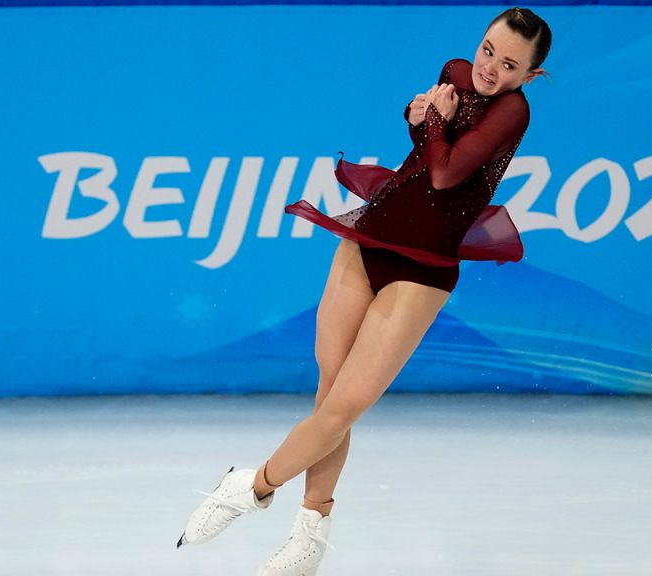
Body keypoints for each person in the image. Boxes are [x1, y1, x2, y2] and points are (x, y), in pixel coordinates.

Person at [177, 7, 552, 575]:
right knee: (329, 395)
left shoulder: (513, 112)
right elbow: (422, 146)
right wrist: (417, 112)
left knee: (346, 407)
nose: (489, 69)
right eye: (486, 51)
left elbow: (448, 173)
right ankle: (311, 531)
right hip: (370, 233)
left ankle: (248, 489)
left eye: (509, 64)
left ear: (530, 75)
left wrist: (433, 124)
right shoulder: (454, 70)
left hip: (422, 267)